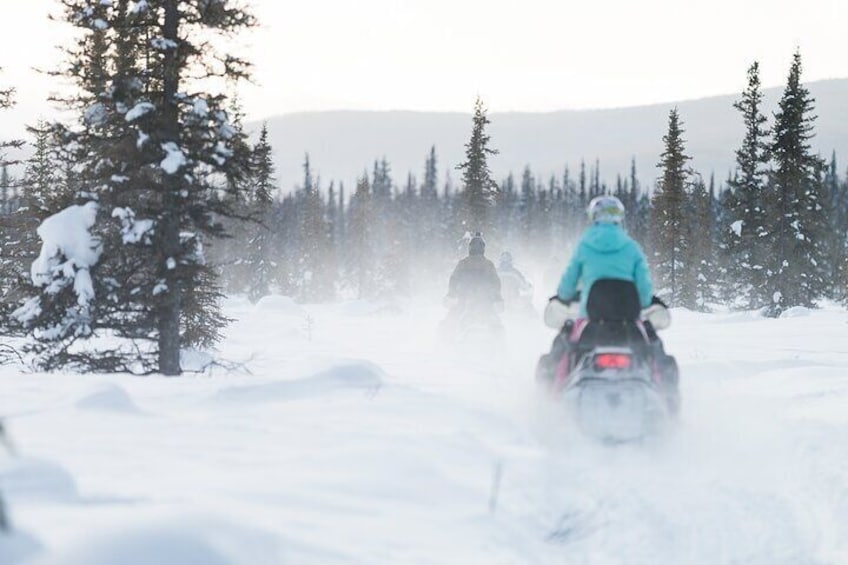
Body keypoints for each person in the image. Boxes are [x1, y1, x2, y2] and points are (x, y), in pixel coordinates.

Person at [538, 196, 678, 403]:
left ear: (593, 217)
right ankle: (669, 403)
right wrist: (646, 302)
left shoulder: (584, 247)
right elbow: (645, 291)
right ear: (618, 218)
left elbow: (568, 283)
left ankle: (548, 401)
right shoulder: (632, 248)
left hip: (591, 323)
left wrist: (564, 297)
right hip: (629, 326)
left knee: (562, 347)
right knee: (655, 349)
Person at [443, 233, 503, 330]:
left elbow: (453, 280)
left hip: (465, 301)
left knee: (448, 323)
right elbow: (496, 283)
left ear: (470, 248)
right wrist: (497, 298)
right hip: (484, 303)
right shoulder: (488, 264)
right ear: (483, 249)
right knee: (496, 325)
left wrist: (451, 294)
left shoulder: (463, 263)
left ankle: (446, 343)